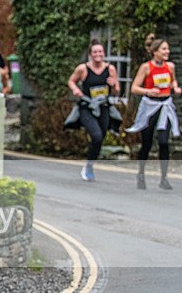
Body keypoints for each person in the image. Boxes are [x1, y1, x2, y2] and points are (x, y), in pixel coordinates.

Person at [127, 34, 181, 190]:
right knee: (147, 142)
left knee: (164, 142)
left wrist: (175, 87)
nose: (167, 51)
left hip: (165, 105)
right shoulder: (146, 67)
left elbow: (173, 81)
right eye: (164, 49)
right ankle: (141, 174)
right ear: (155, 51)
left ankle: (164, 178)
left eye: (168, 49)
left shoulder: (170, 66)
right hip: (150, 106)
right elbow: (134, 88)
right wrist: (148, 91)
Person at [67, 40, 121, 181]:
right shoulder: (83, 69)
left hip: (104, 107)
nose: (98, 54)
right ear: (90, 54)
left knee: (100, 138)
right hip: (87, 107)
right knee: (96, 136)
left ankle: (89, 162)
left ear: (104, 54)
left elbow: (116, 91)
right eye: (95, 52)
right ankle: (89, 167)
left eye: (100, 52)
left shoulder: (110, 69)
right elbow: (71, 80)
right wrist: (75, 89)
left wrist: (114, 85)